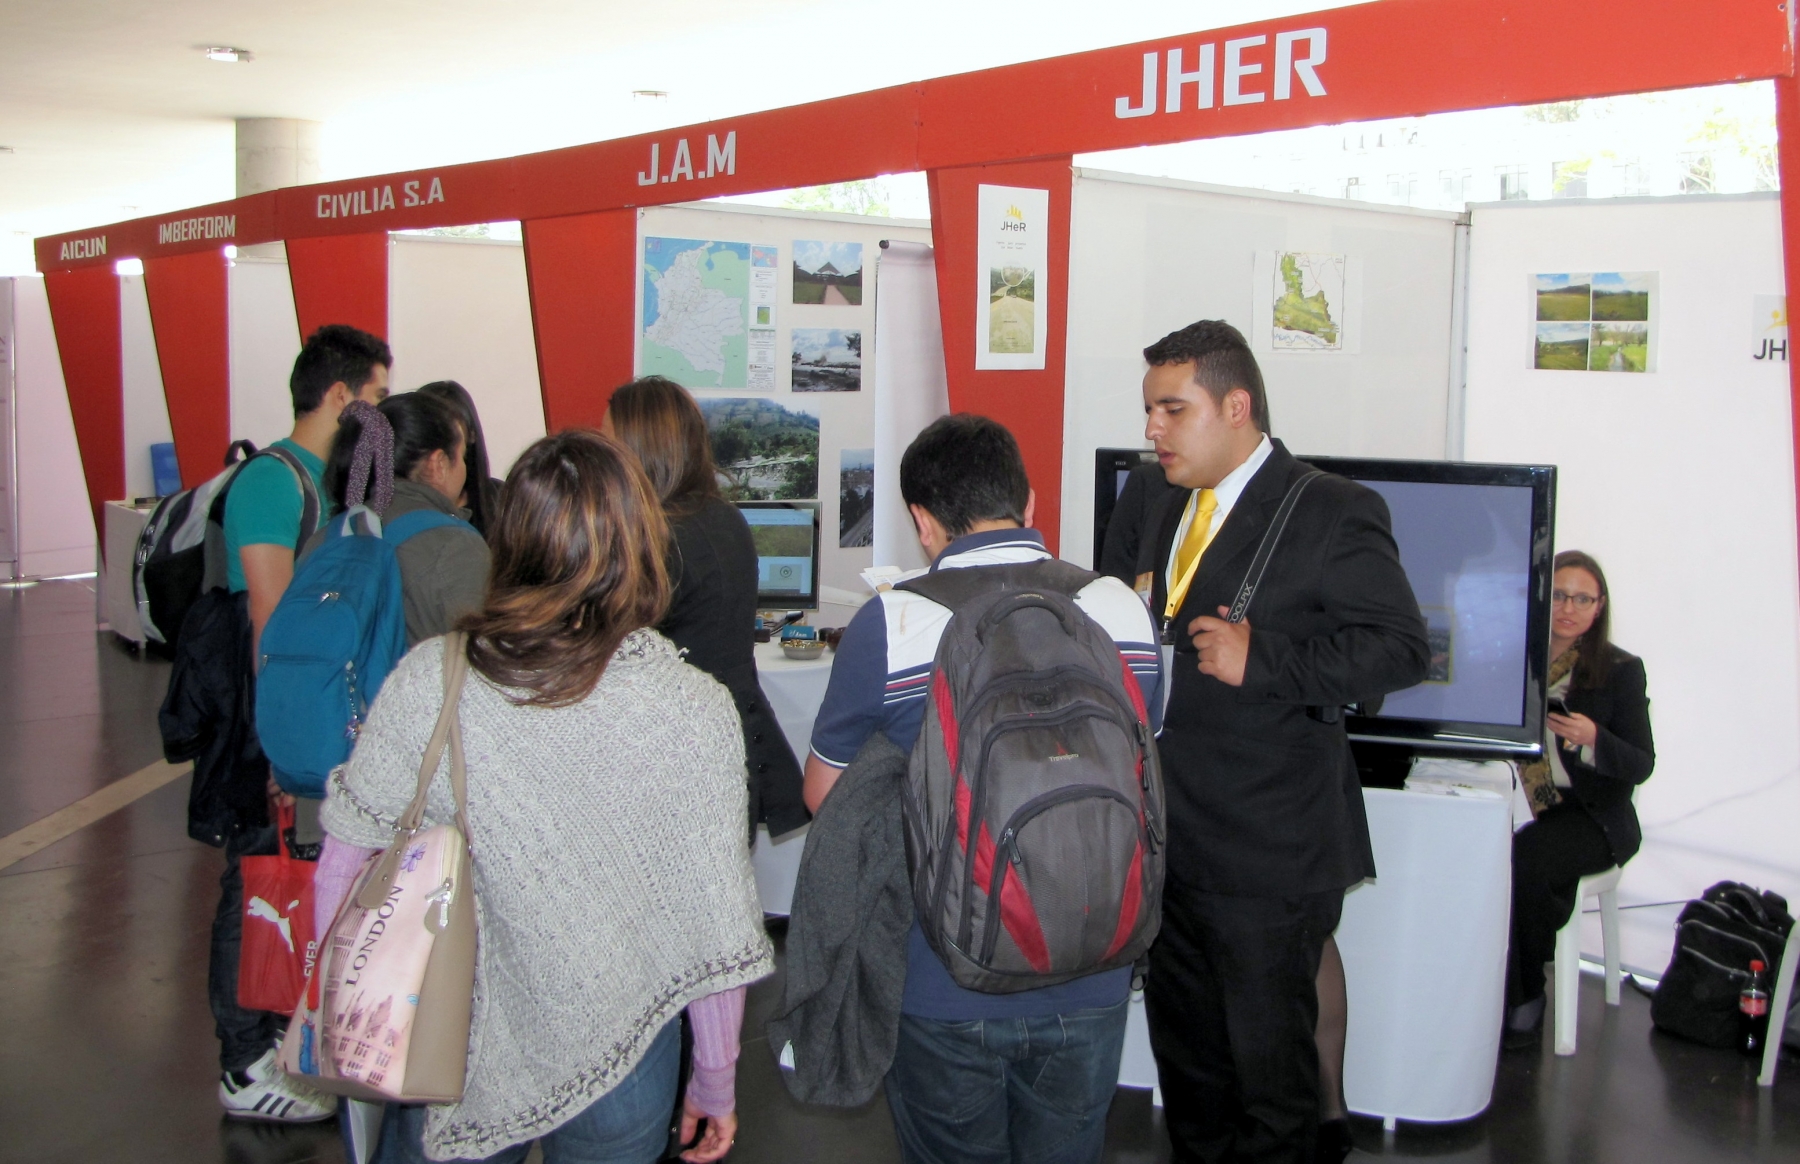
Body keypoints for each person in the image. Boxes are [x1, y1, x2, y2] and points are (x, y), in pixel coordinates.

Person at [313, 429, 774, 1162]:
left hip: (449, 1033)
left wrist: (337, 1002)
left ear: (512, 538)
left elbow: (347, 856)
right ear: (640, 541)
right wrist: (714, 1079)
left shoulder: (431, 678)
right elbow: (715, 925)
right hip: (626, 1041)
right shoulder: (692, 710)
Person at [802, 414, 1163, 1164]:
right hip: (1095, 961)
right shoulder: (1118, 609)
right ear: (1028, 502)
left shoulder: (893, 622)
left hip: (942, 977)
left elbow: (822, 797)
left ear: (922, 521)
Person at [1139, 320, 1428, 1164]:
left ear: (1237, 406)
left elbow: (1401, 648)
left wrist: (1263, 658)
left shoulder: (1331, 509)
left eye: (1171, 409)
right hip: (1174, 844)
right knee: (1190, 1074)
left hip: (1270, 853)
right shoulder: (1161, 501)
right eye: (1150, 410)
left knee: (1272, 1090)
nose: (1153, 429)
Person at [212, 322, 390, 1123]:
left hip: (306, 721)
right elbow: (270, 621)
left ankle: (283, 1037)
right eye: (378, 396)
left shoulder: (333, 485)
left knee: (300, 874)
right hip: (266, 717)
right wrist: (279, 756)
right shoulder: (270, 483)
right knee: (254, 878)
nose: (385, 414)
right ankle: (243, 1060)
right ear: (341, 395)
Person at [604, 375, 807, 837]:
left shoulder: (661, 541)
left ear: (639, 448)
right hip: (726, 739)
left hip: (675, 755)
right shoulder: (722, 517)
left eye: (610, 443)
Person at [1504, 550, 1655, 1048]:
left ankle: (1524, 997)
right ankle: (1480, 986)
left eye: (1582, 598)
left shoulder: (1619, 670)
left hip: (1592, 815)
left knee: (1525, 860)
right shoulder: (1512, 657)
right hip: (1524, 803)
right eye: (1560, 595)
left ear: (1599, 606)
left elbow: (1639, 763)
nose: (1568, 607)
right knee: (1478, 853)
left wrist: (1594, 738)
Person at [310, 392, 490, 646]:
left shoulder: (322, 541)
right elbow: (477, 665)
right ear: (438, 464)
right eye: (461, 456)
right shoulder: (455, 546)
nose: (465, 468)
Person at [417, 380, 503, 537]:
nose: (442, 439)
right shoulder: (405, 506)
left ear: (470, 434)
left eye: (451, 429)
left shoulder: (500, 498)